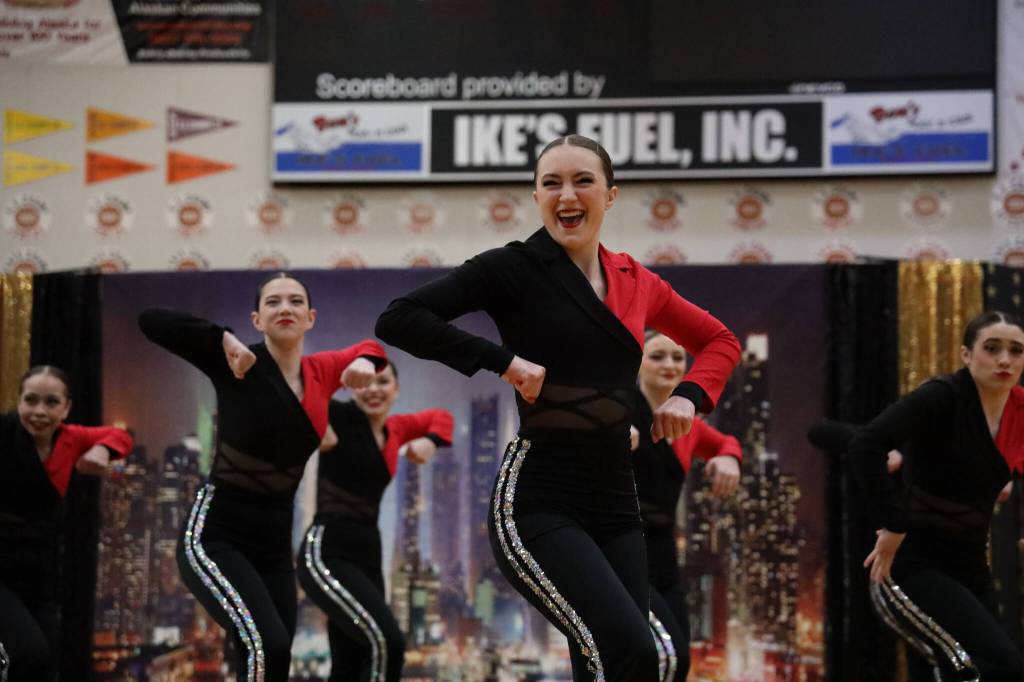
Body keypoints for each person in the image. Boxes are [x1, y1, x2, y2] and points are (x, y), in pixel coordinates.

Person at [376, 134, 741, 681]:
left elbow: (720, 342)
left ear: (610, 196)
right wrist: (503, 362)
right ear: (537, 196)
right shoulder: (511, 268)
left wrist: (690, 395)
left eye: (582, 181)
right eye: (551, 183)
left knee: (618, 663)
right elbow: (399, 318)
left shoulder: (637, 281)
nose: (566, 195)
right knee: (629, 649)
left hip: (618, 501)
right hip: (539, 498)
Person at [138, 273, 387, 682]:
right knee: (266, 644)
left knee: (276, 655)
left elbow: (373, 347)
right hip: (215, 533)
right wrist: (223, 339)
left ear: (310, 317)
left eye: (294, 301)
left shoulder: (322, 371)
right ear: (257, 319)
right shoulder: (236, 361)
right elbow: (151, 320)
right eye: (273, 302)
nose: (284, 308)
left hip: (273, 545)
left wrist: (365, 361)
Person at [851, 310, 1024, 681]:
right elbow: (866, 445)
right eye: (992, 348)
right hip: (910, 566)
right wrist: (892, 524)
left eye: (1016, 351)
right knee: (995, 667)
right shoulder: (943, 396)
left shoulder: (1020, 411)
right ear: (966, 354)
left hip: (971, 568)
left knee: (976, 670)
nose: (1005, 360)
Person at [297, 361, 453, 682]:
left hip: (368, 556)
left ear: (396, 390)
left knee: (349, 661)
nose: (373, 390)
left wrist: (431, 441)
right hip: (327, 550)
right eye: (365, 383)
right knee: (387, 642)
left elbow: (442, 417)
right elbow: (305, 387)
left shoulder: (395, 429)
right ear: (353, 388)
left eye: (383, 382)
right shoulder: (339, 416)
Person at [0, 365, 133, 682]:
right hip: (0, 563)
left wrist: (102, 449)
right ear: (19, 402)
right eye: (31, 400)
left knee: (47, 664)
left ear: (66, 407)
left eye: (51, 402)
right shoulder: (3, 433)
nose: (39, 411)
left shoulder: (70, 439)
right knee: (29, 652)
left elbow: (121, 436)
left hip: (41, 568)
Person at [631, 331, 741, 681]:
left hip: (663, 554)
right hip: (622, 548)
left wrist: (729, 459)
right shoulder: (617, 409)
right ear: (638, 362)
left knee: (679, 663)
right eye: (658, 356)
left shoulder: (687, 422)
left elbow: (727, 443)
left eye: (678, 357)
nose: (670, 365)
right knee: (663, 654)